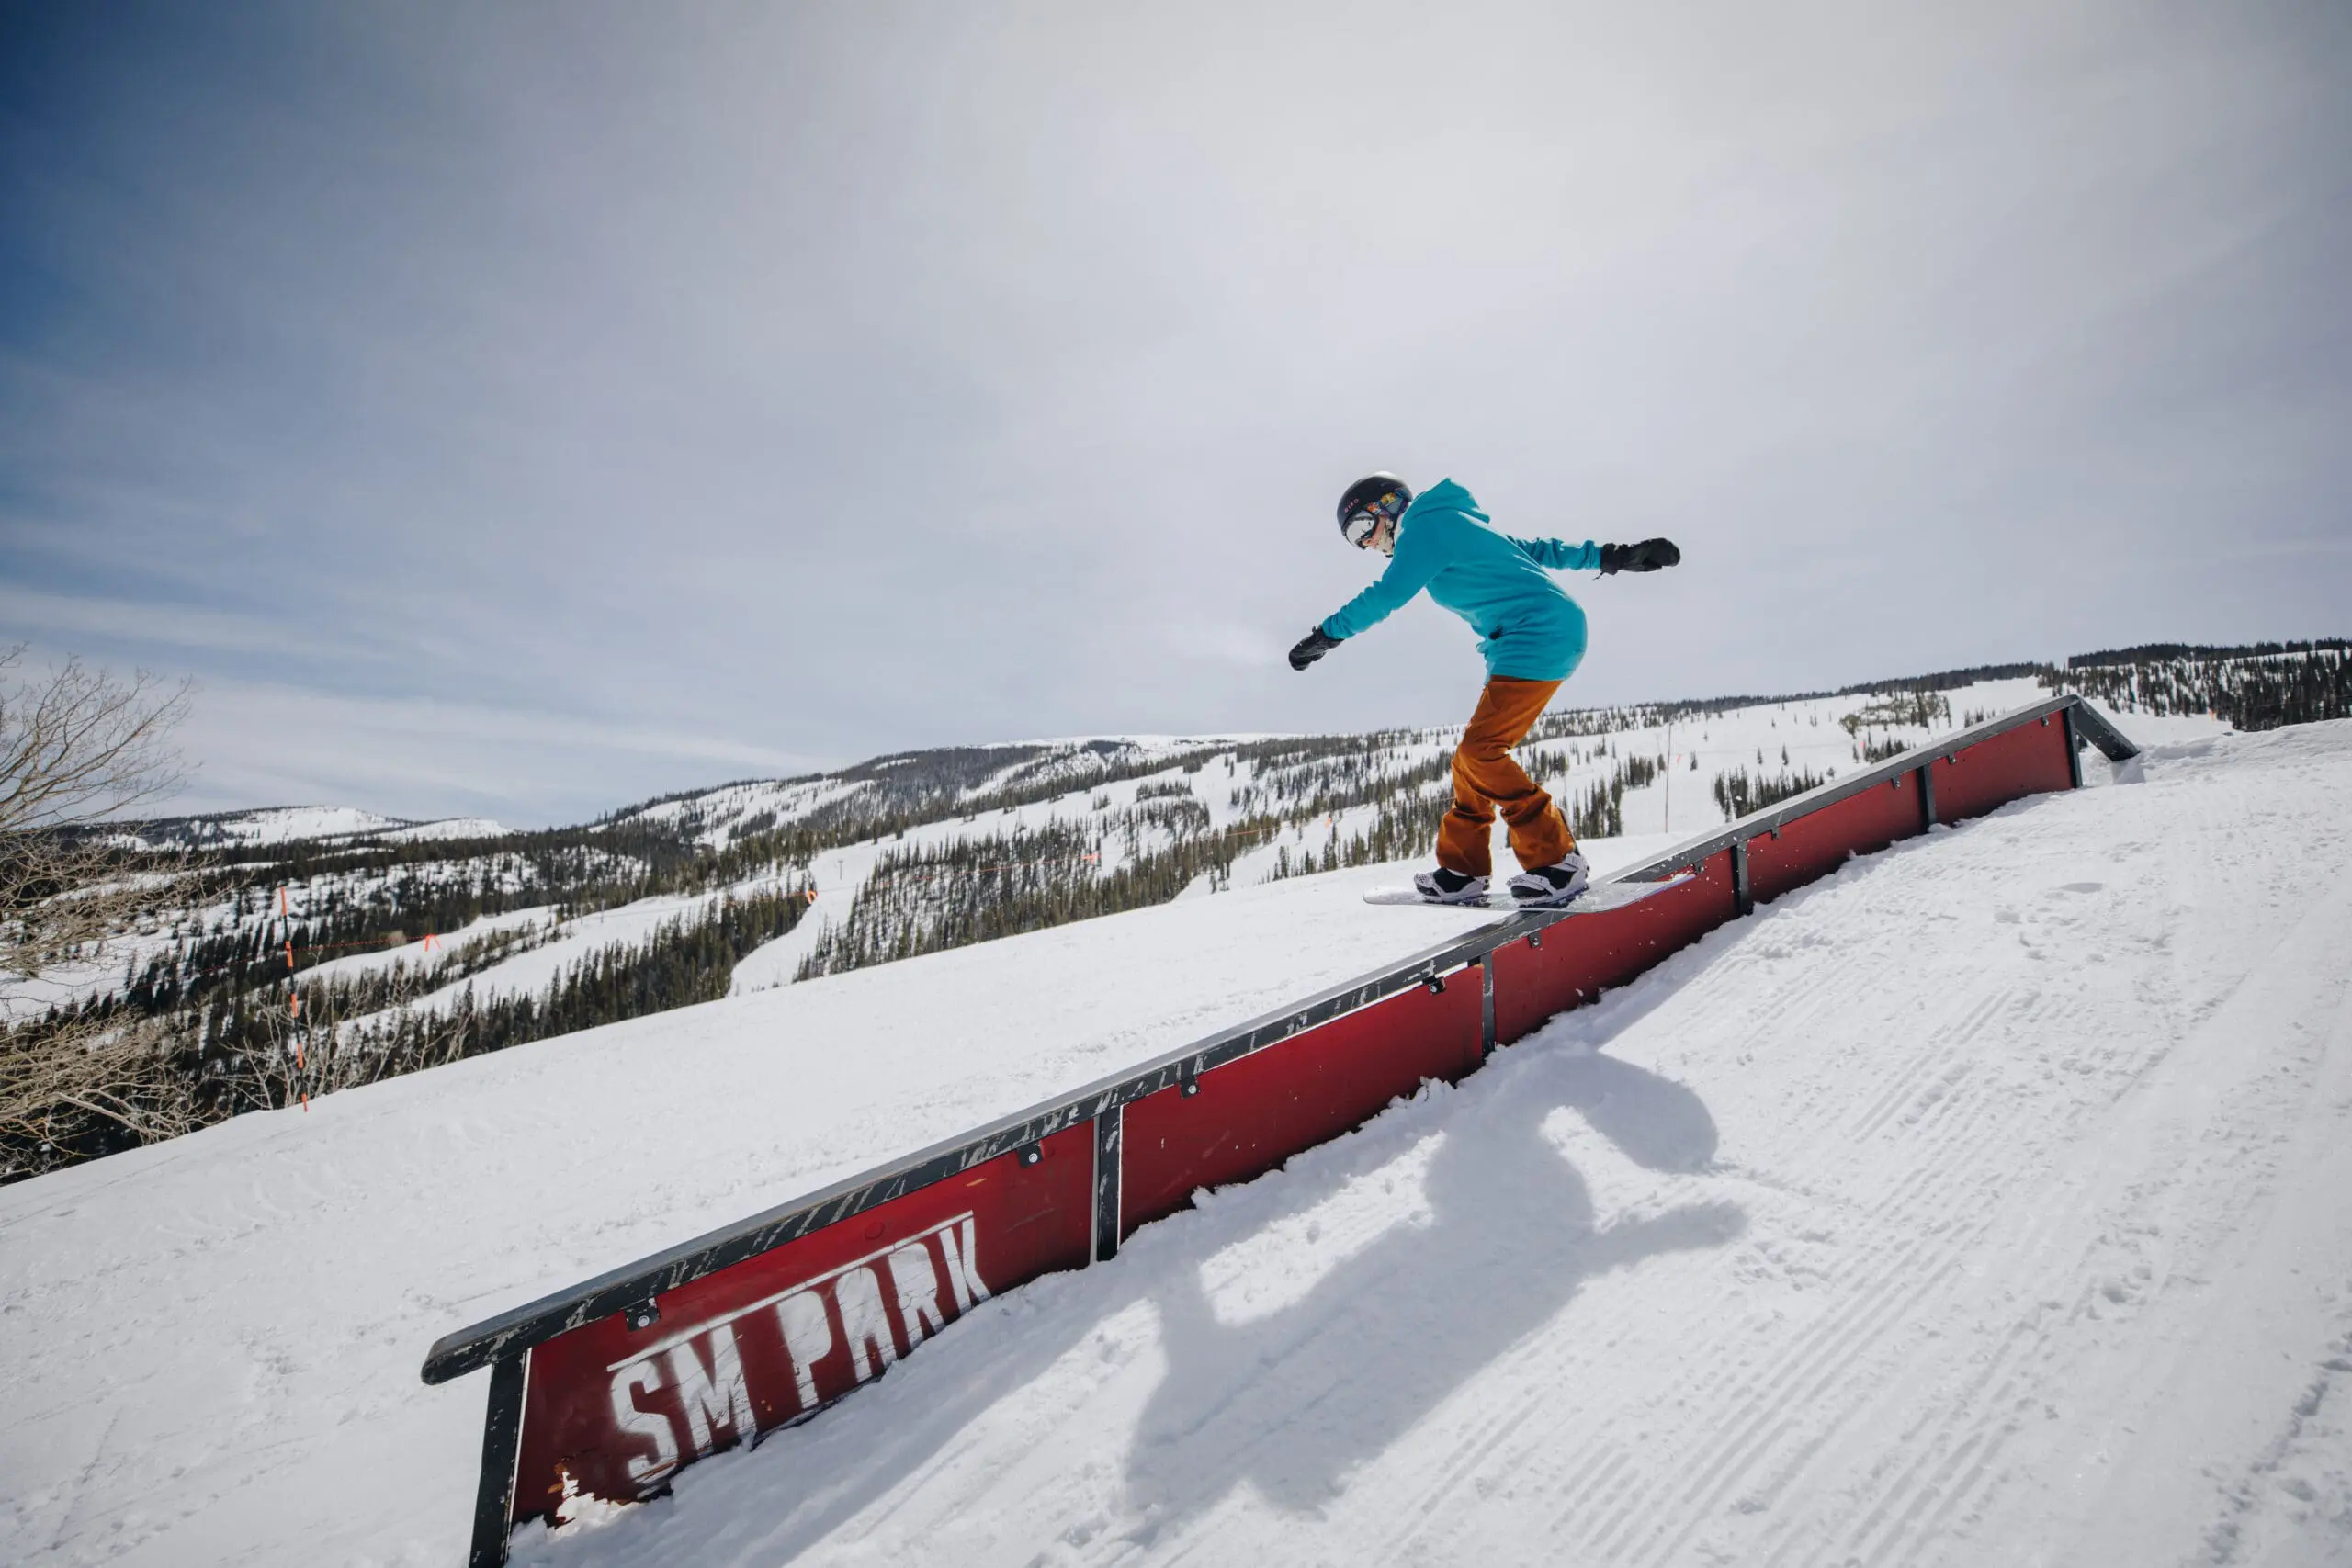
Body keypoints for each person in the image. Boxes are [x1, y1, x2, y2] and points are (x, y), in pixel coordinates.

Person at [1289, 474, 1679, 906]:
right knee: (1468, 761)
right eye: (1354, 541)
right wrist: (1611, 556)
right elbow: (1537, 551)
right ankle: (1462, 869)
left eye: (1364, 529)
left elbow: (1386, 595)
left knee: (1482, 752)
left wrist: (1326, 635)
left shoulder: (1424, 527)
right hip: (1527, 637)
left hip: (1537, 633)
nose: (1366, 545)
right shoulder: (1453, 523)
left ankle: (1557, 861)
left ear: (1389, 505)